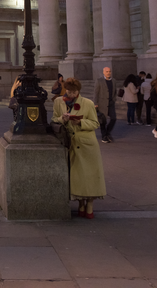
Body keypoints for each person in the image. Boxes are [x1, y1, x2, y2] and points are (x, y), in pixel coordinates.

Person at [51, 77, 106, 219]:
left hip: (87, 144)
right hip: (71, 144)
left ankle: (90, 206)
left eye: (74, 92)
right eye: (69, 91)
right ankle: (81, 204)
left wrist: (80, 122)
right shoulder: (58, 102)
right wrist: (62, 119)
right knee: (78, 177)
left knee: (90, 176)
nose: (71, 94)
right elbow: (53, 119)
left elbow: (95, 123)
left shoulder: (87, 103)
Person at [93, 67, 117, 143]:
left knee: (113, 118)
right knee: (102, 121)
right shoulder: (99, 81)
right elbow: (96, 93)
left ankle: (107, 132)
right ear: (103, 72)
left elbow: (115, 91)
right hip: (102, 103)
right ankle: (104, 136)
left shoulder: (113, 81)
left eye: (109, 71)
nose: (108, 73)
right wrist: (95, 103)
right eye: (107, 71)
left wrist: (114, 100)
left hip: (111, 103)